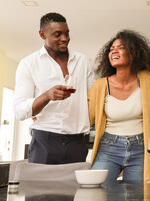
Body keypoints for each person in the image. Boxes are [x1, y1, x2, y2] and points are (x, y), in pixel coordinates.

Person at [13, 12, 95, 164]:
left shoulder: (82, 61)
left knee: (75, 188)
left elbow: (94, 99)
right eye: (57, 34)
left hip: (77, 143)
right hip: (44, 141)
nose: (64, 39)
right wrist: (46, 96)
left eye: (67, 34)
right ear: (42, 34)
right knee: (40, 187)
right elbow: (19, 111)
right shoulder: (29, 64)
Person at [88, 30, 150, 182]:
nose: (114, 51)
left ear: (134, 52)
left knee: (138, 196)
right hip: (108, 146)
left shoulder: (147, 80)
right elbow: (85, 118)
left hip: (141, 147)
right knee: (96, 190)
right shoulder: (100, 86)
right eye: (111, 49)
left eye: (120, 47)